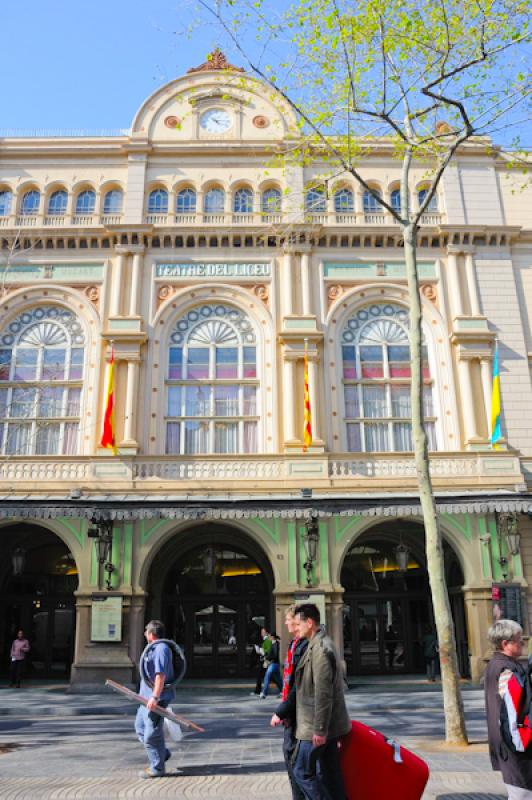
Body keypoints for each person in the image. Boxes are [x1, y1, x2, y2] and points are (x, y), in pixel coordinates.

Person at [291, 603, 351, 800]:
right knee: (330, 773)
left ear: (309, 623)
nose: (296, 628)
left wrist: (319, 729)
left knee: (301, 770)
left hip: (315, 725)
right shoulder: (316, 644)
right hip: (325, 724)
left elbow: (323, 693)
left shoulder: (321, 648)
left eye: (298, 624)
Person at [485, 619, 532, 799]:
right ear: (505, 643)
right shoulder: (507, 669)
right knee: (523, 793)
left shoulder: (495, 664)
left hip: (507, 744)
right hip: (516, 746)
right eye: (519, 640)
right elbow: (512, 711)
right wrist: (521, 744)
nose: (522, 644)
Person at [270, 605, 308, 800]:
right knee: (295, 760)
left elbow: (298, 686)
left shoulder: (303, 646)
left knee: (298, 764)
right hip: (294, 713)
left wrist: (281, 710)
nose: (285, 623)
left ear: (298, 621)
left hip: (300, 715)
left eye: (288, 620)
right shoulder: (295, 645)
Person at [135, 619, 175, 779]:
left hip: (155, 698)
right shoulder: (152, 648)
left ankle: (157, 767)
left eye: (146, 631)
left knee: (152, 734)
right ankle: (162, 753)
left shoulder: (161, 649)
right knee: (140, 728)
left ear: (151, 634)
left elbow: (160, 676)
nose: (144, 634)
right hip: (145, 697)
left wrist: (155, 697)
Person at [251, 626, 272, 696]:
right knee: (264, 675)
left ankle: (259, 691)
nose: (262, 633)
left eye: (263, 632)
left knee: (262, 675)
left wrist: (260, 650)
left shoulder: (268, 640)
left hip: (265, 661)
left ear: (267, 633)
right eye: (261, 632)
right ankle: (259, 690)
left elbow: (267, 651)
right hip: (263, 660)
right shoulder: (265, 640)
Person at [260, 632, 283, 698]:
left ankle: (264, 693)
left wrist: (267, 657)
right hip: (274, 664)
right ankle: (283, 691)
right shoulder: (273, 644)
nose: (268, 638)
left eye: (269, 636)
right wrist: (265, 655)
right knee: (278, 679)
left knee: (267, 676)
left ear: (272, 637)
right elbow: (271, 654)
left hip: (273, 664)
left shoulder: (275, 644)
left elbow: (275, 655)